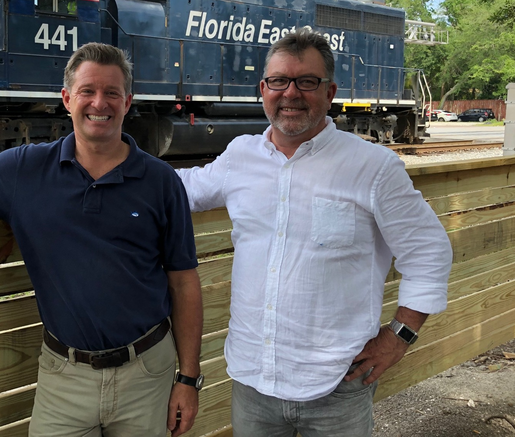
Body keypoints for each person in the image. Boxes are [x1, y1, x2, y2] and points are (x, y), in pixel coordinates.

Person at [177, 30, 452, 437]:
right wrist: (107, 161)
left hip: (339, 384)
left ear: (330, 91)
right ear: (263, 89)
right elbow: (178, 189)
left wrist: (400, 335)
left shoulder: (372, 166)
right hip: (254, 380)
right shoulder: (239, 156)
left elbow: (427, 250)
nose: (290, 93)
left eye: (307, 81)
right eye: (278, 81)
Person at [0, 43, 204, 437]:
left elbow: (184, 282)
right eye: (87, 91)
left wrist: (188, 380)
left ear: (128, 102)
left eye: (112, 93)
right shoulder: (26, 168)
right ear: (67, 99)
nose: (99, 103)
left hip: (148, 372)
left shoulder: (161, 182)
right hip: (64, 375)